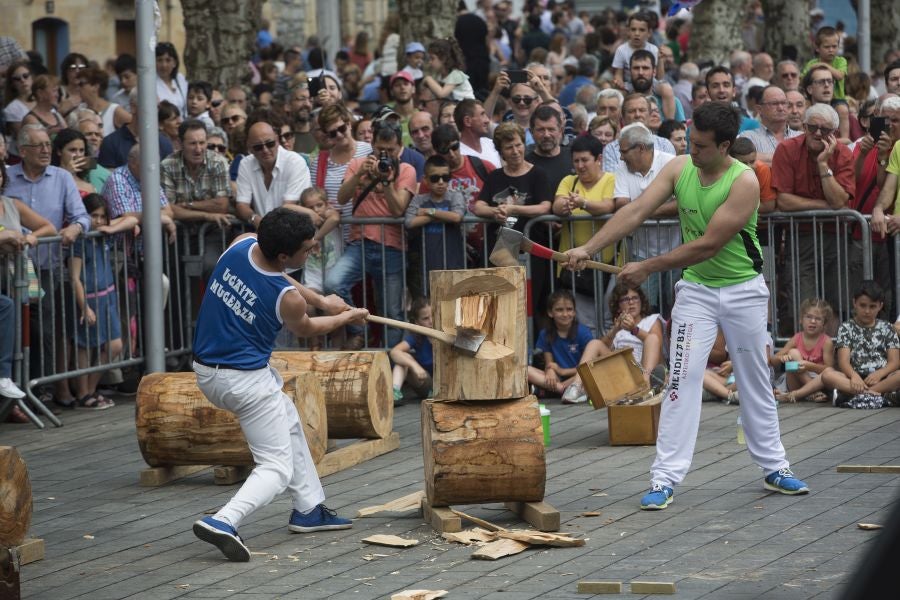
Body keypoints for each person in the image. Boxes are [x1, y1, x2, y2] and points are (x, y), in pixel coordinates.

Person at [565, 101, 810, 510]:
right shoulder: (680, 169)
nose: (691, 151)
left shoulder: (743, 181)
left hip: (743, 290)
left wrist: (647, 267)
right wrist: (589, 246)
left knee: (753, 379)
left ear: (725, 145)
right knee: (680, 381)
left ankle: (775, 467)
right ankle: (664, 479)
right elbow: (637, 210)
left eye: (700, 146)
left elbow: (708, 244)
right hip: (696, 291)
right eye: (690, 142)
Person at [191, 207, 368, 562]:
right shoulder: (286, 297)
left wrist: (320, 299)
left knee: (287, 418)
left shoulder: (242, 244)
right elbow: (307, 328)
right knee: (275, 467)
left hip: (206, 370)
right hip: (245, 382)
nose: (312, 252)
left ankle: (309, 508)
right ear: (286, 255)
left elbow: (284, 279)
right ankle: (225, 520)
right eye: (307, 248)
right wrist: (343, 316)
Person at [67, 193, 136, 410]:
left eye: (102, 216)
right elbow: (74, 277)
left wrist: (112, 228)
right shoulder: (80, 241)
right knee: (85, 348)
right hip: (88, 299)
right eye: (93, 216)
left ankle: (91, 388)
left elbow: (133, 219)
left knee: (114, 345)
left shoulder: (104, 235)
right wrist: (84, 307)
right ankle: (83, 393)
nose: (98, 221)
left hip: (108, 297)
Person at [552, 134, 616, 335]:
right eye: (576, 161)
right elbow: (557, 205)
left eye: (585, 160)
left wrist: (583, 204)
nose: (580, 165)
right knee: (584, 322)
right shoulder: (568, 181)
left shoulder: (611, 180)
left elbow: (609, 206)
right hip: (574, 264)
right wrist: (566, 205)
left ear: (598, 159)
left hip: (608, 263)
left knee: (609, 319)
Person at [822, 281, 900, 409]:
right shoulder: (846, 327)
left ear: (880, 306)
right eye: (862, 305)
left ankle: (858, 395)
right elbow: (843, 361)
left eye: (872, 306)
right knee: (827, 375)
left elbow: (895, 361)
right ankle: (879, 396)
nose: (867, 311)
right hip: (854, 379)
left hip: (883, 379)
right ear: (854, 303)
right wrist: (854, 376)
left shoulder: (887, 327)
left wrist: (879, 374)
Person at [526, 289, 603, 403]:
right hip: (558, 379)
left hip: (579, 375)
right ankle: (561, 389)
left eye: (569, 309)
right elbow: (550, 364)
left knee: (590, 373)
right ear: (550, 313)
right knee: (524, 370)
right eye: (559, 310)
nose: (565, 314)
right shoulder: (545, 334)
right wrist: (550, 371)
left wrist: (562, 371)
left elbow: (588, 365)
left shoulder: (583, 332)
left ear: (574, 312)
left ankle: (559, 389)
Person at [404, 155, 466, 285]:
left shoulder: (455, 196)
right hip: (427, 266)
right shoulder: (419, 199)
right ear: (425, 180)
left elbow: (456, 217)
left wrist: (429, 212)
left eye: (445, 177)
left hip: (453, 264)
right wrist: (442, 216)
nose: (441, 182)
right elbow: (410, 222)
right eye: (435, 178)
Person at [597, 283, 666, 387]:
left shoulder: (652, 320)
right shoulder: (617, 328)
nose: (631, 302)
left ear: (641, 301)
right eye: (625, 299)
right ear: (618, 306)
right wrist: (615, 330)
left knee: (652, 338)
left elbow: (657, 344)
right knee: (594, 344)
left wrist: (634, 329)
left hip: (646, 369)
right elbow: (600, 348)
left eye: (635, 298)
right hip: (622, 372)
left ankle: (645, 385)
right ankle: (576, 387)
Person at [772, 298, 834, 403]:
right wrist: (781, 358)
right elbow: (772, 361)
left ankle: (806, 393)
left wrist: (810, 366)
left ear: (824, 323)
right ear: (801, 319)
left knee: (828, 373)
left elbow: (829, 369)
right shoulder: (796, 338)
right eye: (809, 317)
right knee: (793, 353)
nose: (813, 321)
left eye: (818, 319)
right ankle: (813, 393)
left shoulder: (826, 342)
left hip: (817, 380)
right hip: (795, 383)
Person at [802, 27, 849, 142]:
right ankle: (804, 133)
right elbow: (803, 78)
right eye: (827, 47)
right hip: (814, 98)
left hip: (837, 98)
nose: (831, 50)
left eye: (834, 46)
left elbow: (839, 75)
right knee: (804, 107)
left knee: (843, 110)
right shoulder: (811, 63)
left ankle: (845, 137)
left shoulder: (840, 61)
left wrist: (823, 66)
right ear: (817, 48)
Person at [389, 297, 434, 404]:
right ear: (417, 322)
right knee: (404, 358)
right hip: (426, 384)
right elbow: (394, 352)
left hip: (445, 386)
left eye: (434, 315)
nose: (431, 321)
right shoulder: (417, 336)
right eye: (425, 318)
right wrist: (415, 366)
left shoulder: (447, 331)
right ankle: (393, 393)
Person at [611, 11, 657, 91]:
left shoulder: (653, 49)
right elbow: (618, 74)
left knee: (666, 89)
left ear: (649, 33)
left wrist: (661, 60)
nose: (637, 33)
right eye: (633, 29)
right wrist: (619, 82)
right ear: (628, 31)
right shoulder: (621, 50)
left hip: (650, 86)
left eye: (642, 30)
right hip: (629, 87)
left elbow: (658, 75)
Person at [155, 42, 188, 115]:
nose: (164, 65)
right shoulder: (150, 82)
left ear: (174, 63)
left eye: (168, 60)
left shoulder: (180, 79)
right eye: (160, 60)